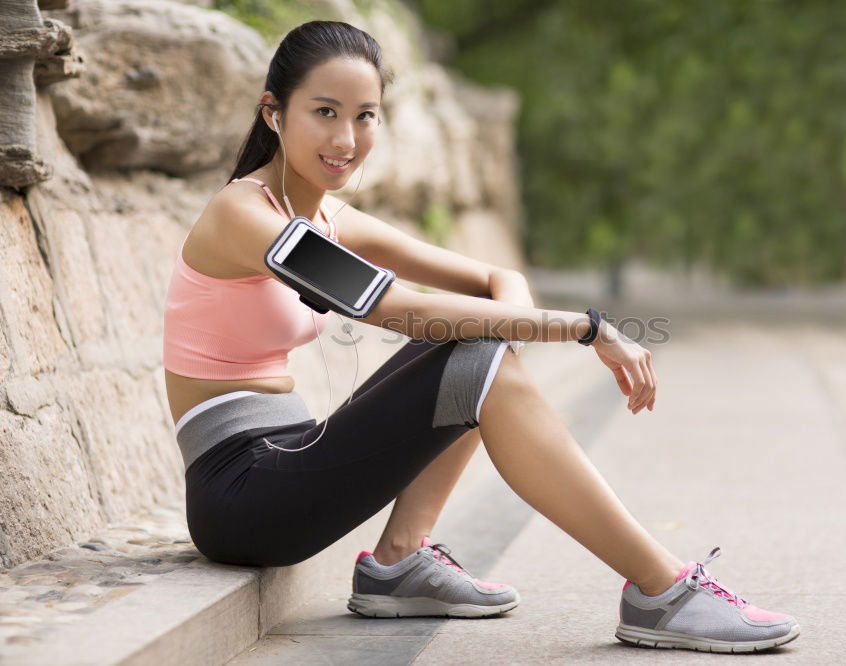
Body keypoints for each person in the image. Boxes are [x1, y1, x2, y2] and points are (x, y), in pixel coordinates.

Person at [161, 20, 800, 653]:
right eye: (324, 112)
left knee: (481, 346)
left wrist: (507, 334)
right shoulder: (247, 218)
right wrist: (586, 328)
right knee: (476, 345)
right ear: (273, 113)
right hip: (243, 494)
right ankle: (663, 591)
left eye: (366, 116)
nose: (347, 138)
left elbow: (497, 277)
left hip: (285, 453)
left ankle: (402, 561)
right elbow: (397, 308)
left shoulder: (325, 216)